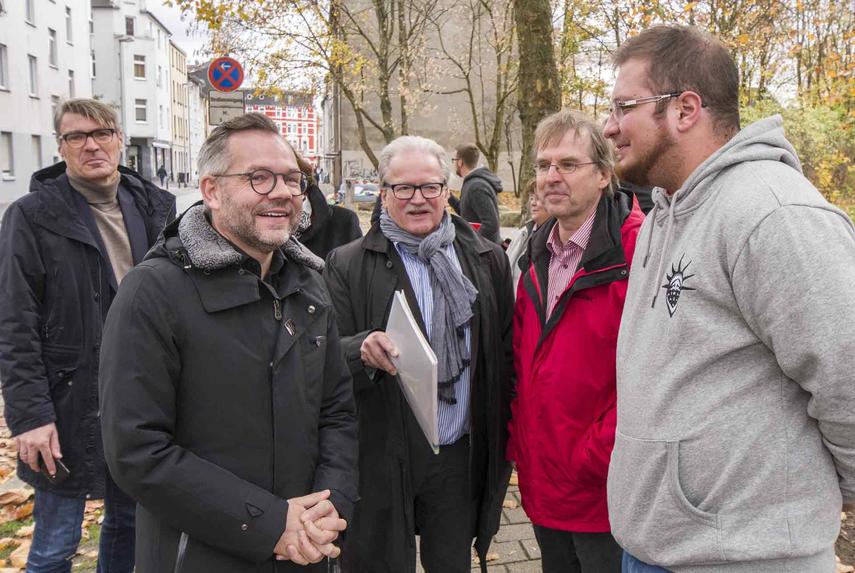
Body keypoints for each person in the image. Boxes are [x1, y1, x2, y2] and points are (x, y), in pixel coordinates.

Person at [602, 25, 855, 573]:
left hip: (747, 557)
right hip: (657, 549)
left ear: (685, 108)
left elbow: (848, 378)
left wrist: (802, 505)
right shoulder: (661, 218)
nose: (609, 126)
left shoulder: (773, 213)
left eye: (624, 106)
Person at [98, 113, 358, 572]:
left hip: (309, 548)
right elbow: (137, 451)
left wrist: (330, 503)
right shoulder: (153, 292)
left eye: (292, 179)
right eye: (258, 177)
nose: (282, 192)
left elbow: (336, 410)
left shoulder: (309, 287)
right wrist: (269, 524)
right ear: (212, 190)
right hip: (199, 555)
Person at [323, 135, 514, 573]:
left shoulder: (486, 260)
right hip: (382, 457)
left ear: (447, 191)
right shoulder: (347, 263)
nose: (417, 199)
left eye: (429, 187)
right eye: (402, 188)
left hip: (456, 455)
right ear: (384, 193)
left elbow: (503, 354)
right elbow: (325, 354)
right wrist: (360, 350)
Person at [0, 98, 175, 573]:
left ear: (120, 139)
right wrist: (30, 416)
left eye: (102, 133)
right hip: (67, 400)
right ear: (62, 148)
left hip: (141, 397)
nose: (91, 145)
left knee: (128, 528)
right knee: (56, 541)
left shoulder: (158, 208)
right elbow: (14, 322)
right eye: (77, 136)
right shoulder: (33, 216)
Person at [508, 110, 643, 573]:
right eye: (544, 165)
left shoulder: (636, 252)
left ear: (604, 174)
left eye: (568, 164)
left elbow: (650, 374)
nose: (551, 177)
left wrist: (593, 457)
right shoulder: (537, 252)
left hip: (601, 490)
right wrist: (521, 447)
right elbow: (527, 363)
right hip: (544, 484)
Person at [293, 152, 362, 260]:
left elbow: (358, 272)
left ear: (303, 183)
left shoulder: (344, 222)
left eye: (290, 179)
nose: (279, 191)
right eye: (260, 178)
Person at [504, 180, 552, 290]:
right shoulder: (523, 233)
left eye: (538, 198)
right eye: (531, 198)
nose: (533, 203)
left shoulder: (555, 240)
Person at [452, 143, 503, 244]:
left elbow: (491, 224)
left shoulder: (477, 187)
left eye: (454, 160)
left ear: (460, 162)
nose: (453, 164)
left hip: (486, 253)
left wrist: (472, 244)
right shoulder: (472, 183)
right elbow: (467, 213)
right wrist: (450, 198)